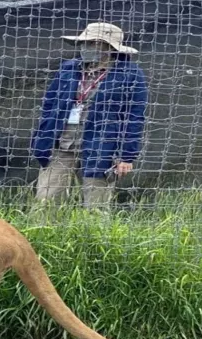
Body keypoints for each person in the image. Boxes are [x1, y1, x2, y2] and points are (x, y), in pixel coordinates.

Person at [30, 22, 148, 208]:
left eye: (93, 43)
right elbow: (48, 105)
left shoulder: (130, 74)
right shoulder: (68, 69)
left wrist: (126, 156)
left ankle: (92, 237)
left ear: (109, 48)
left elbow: (134, 117)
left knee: (95, 207)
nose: (86, 47)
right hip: (62, 144)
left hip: (101, 147)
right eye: (85, 43)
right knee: (46, 201)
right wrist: (41, 139)